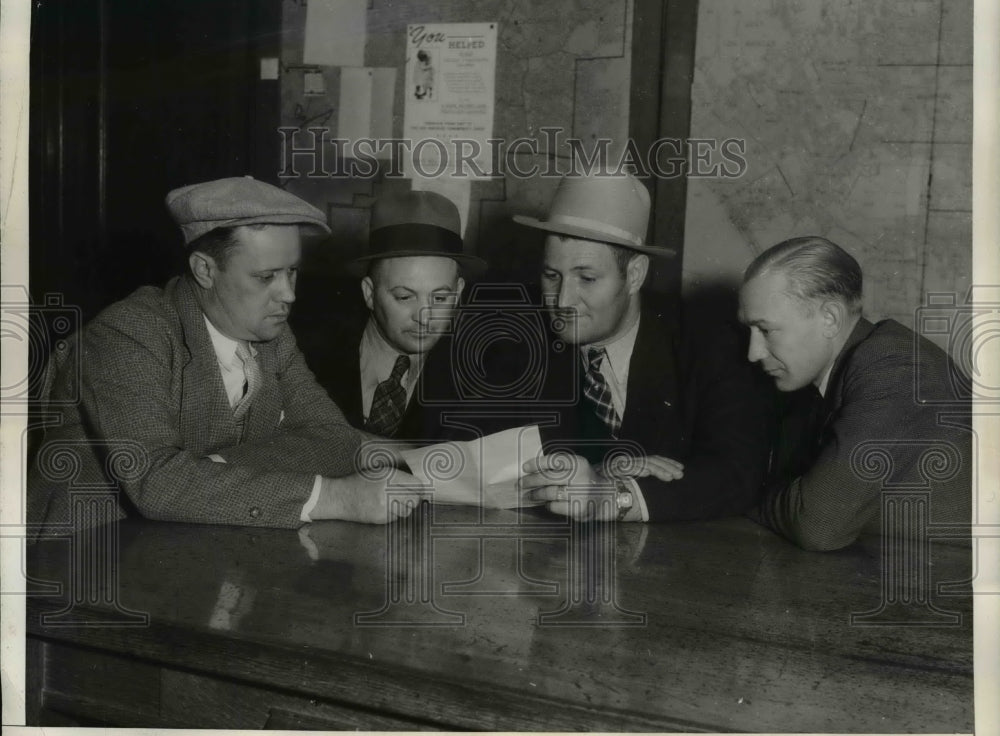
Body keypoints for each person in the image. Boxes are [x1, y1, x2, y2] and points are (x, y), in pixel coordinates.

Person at [28, 176, 422, 533]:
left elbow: (336, 441)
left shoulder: (272, 337)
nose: (288, 294)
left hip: (190, 547)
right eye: (266, 277)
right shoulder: (126, 335)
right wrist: (338, 498)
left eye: (293, 272)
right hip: (81, 558)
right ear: (204, 270)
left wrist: (208, 472)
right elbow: (156, 484)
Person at [515, 173, 774, 522]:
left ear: (635, 274)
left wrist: (616, 497)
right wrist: (604, 470)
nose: (562, 300)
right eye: (551, 276)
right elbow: (486, 457)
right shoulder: (518, 342)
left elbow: (737, 474)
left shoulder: (709, 344)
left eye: (587, 278)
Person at [737, 236, 972, 550]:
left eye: (765, 330)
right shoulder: (843, 374)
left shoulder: (895, 368)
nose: (753, 353)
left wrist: (747, 498)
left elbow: (818, 525)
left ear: (830, 318)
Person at [301, 189, 486, 442]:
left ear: (459, 292)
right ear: (369, 293)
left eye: (440, 298)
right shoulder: (305, 355)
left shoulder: (482, 374)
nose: (424, 317)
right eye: (404, 297)